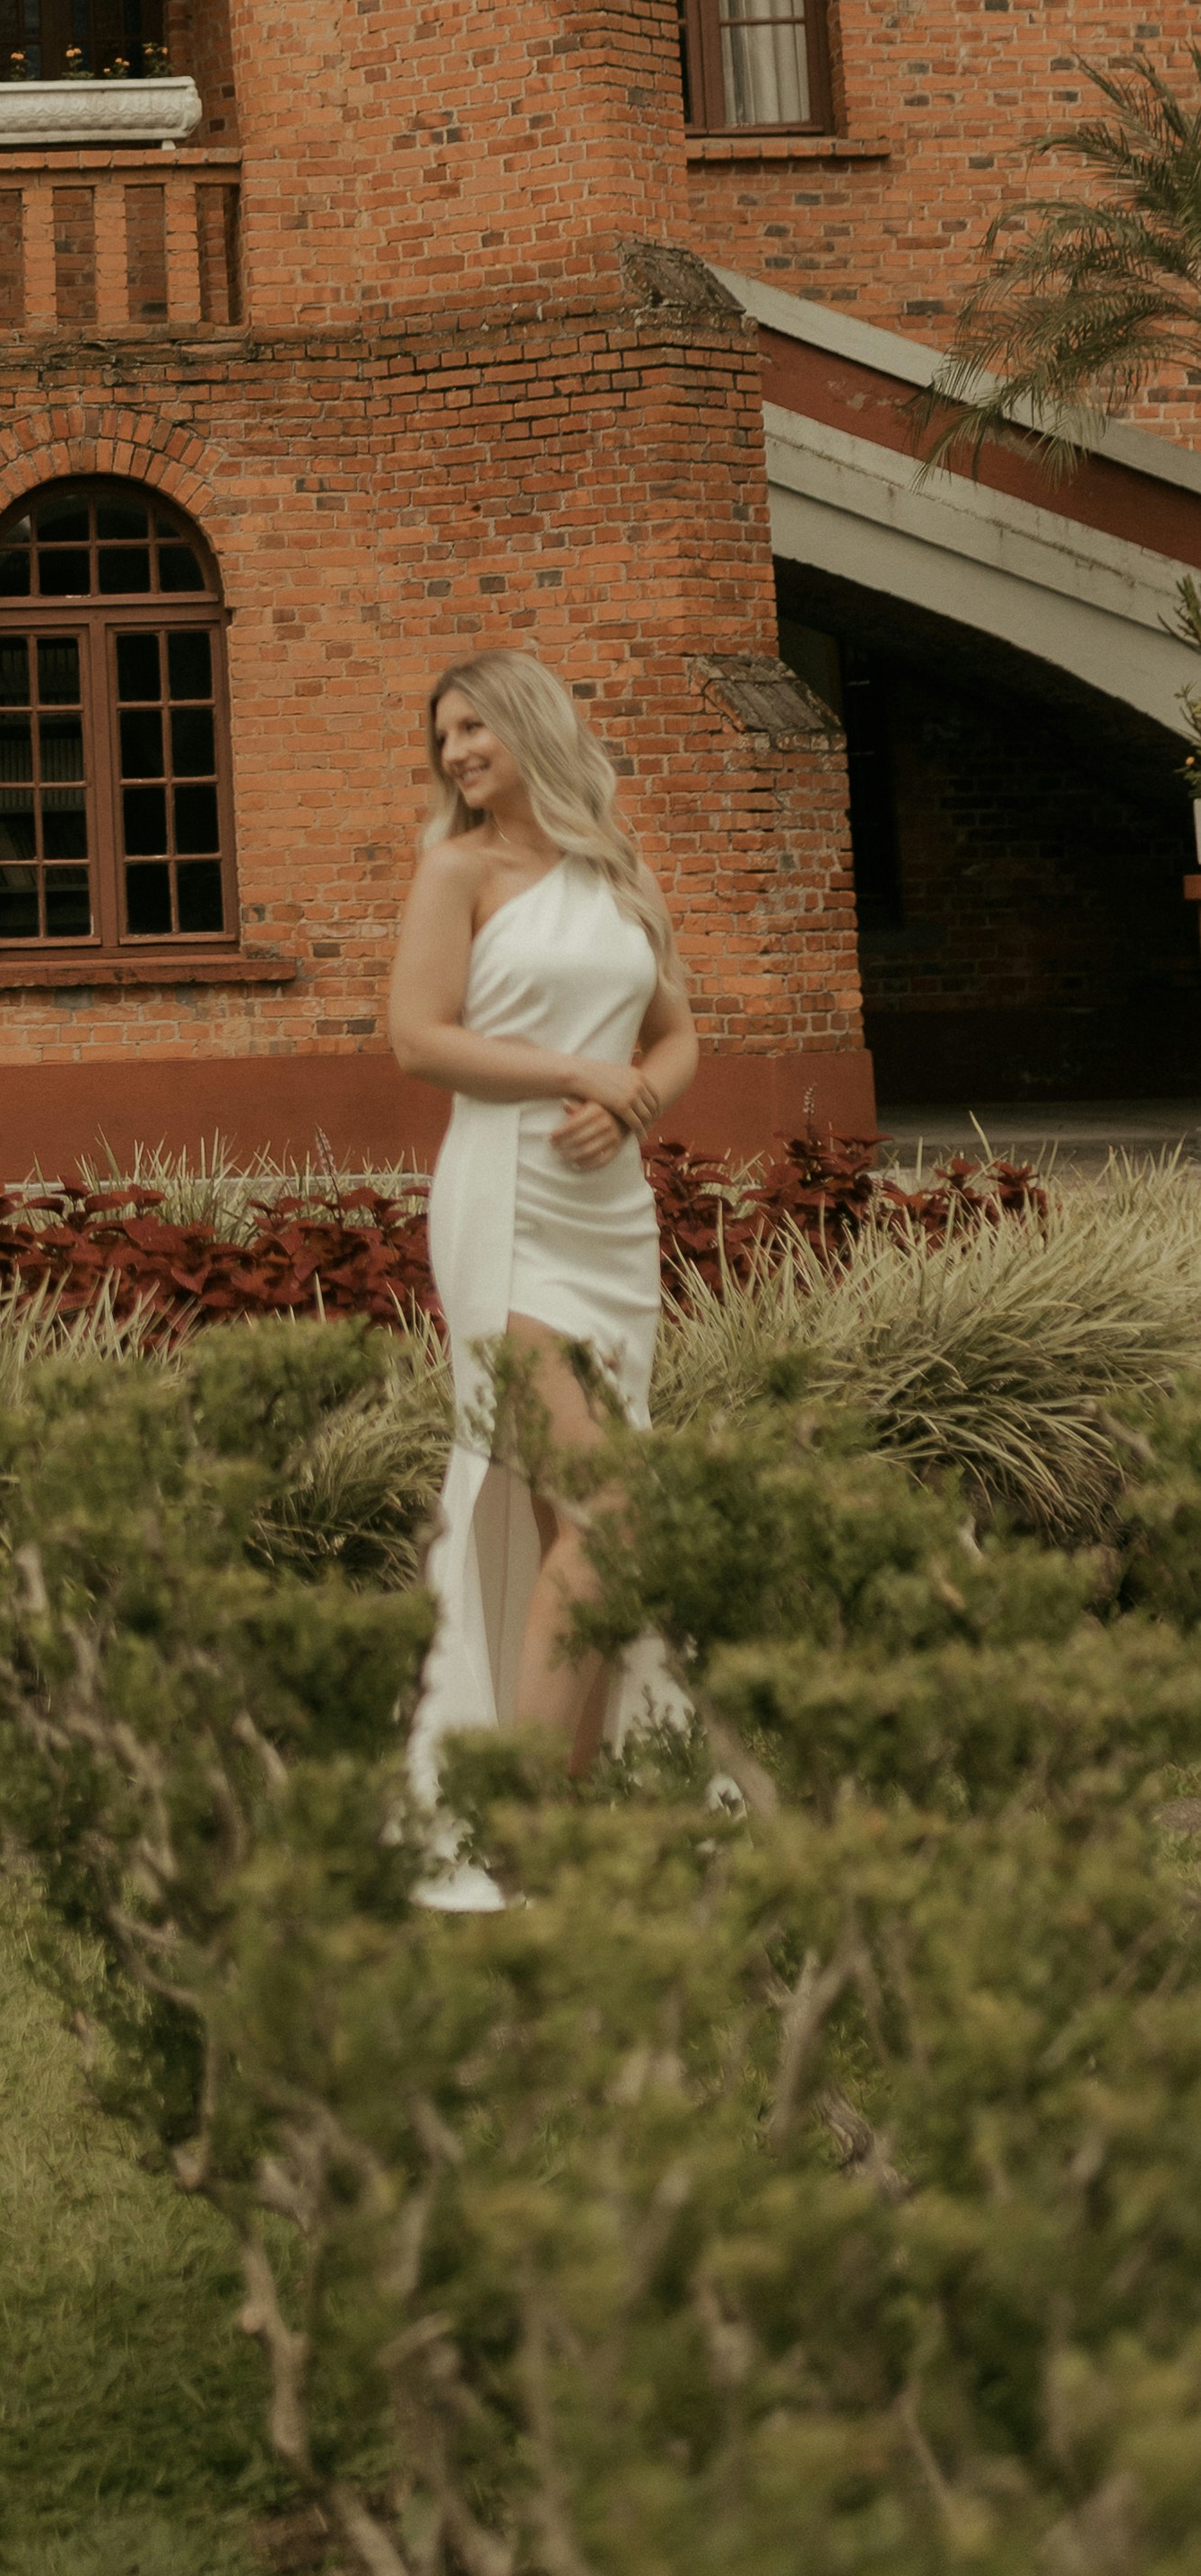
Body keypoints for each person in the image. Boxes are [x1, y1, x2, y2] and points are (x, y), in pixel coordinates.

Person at [386, 647, 698, 1902]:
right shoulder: (454, 871)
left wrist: (631, 1103)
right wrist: (577, 1075)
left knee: (581, 1526)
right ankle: (515, 1819)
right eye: (444, 736)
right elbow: (417, 1040)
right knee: (608, 1513)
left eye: (475, 727)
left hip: (610, 1220)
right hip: (504, 1206)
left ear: (530, 726)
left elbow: (674, 1036)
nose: (457, 752)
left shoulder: (615, 868)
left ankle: (567, 1811)